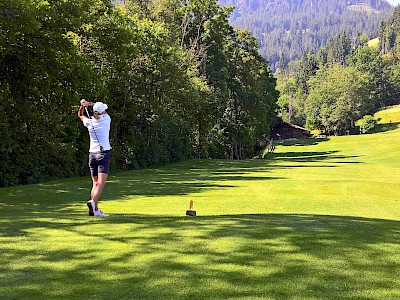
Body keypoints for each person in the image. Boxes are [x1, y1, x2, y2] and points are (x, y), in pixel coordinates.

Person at [78, 99, 112, 217]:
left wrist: (83, 106)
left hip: (92, 155)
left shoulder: (89, 122)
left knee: (95, 183)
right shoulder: (107, 119)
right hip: (103, 154)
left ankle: (95, 210)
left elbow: (80, 115)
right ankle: (93, 202)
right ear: (102, 112)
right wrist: (90, 104)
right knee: (101, 183)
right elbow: (103, 112)